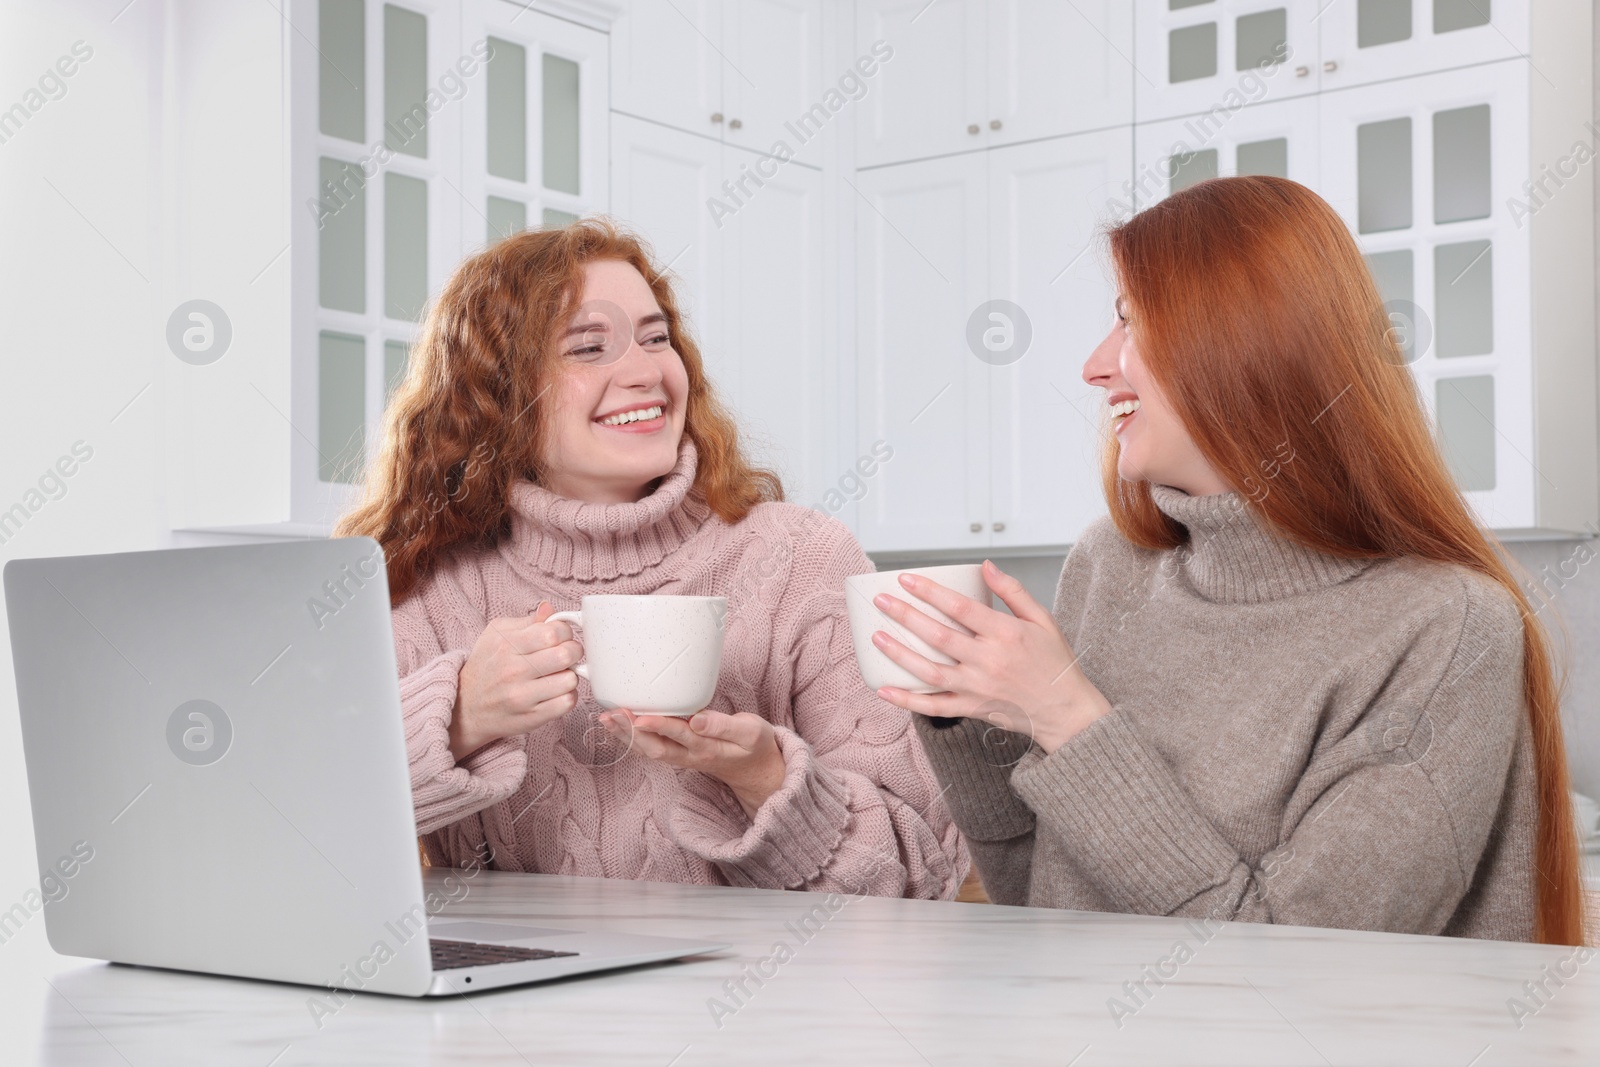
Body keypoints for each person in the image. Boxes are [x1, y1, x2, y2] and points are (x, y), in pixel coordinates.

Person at [868, 176, 1586, 945]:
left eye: (1132, 325)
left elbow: (1302, 960)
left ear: (1241, 343)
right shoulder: (1108, 567)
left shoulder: (1449, 627)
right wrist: (960, 708)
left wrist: (1067, 715)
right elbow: (1040, 899)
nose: (1095, 366)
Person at [335, 218, 966, 899]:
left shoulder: (804, 560)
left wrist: (762, 778)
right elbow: (307, 844)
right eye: (587, 348)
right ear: (497, 393)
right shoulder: (420, 590)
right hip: (509, 1001)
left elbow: (920, 872)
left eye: (657, 337)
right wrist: (458, 720)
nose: (646, 372)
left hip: (768, 997)